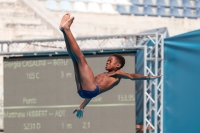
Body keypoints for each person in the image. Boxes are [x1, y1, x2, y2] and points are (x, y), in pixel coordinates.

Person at [60, 13, 161, 119]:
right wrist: (82, 106)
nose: (107, 62)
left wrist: (148, 77)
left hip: (89, 90)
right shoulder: (106, 74)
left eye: (110, 61)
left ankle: (67, 29)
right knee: (74, 58)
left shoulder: (117, 74)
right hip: (84, 91)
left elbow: (132, 76)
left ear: (118, 65)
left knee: (81, 59)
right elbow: (92, 92)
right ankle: (64, 31)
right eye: (107, 61)